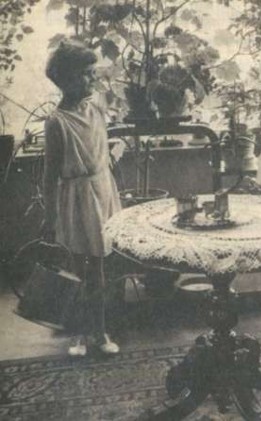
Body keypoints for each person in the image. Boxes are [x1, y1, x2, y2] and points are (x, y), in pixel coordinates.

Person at [42, 41, 121, 357]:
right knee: (76, 272)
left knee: (98, 272)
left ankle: (100, 332)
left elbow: (102, 145)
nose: (93, 79)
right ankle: (77, 334)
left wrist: (114, 154)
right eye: (86, 74)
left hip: (102, 192)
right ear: (66, 79)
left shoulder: (97, 107)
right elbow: (50, 175)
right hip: (75, 199)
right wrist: (50, 217)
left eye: (93, 73)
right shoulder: (56, 122)